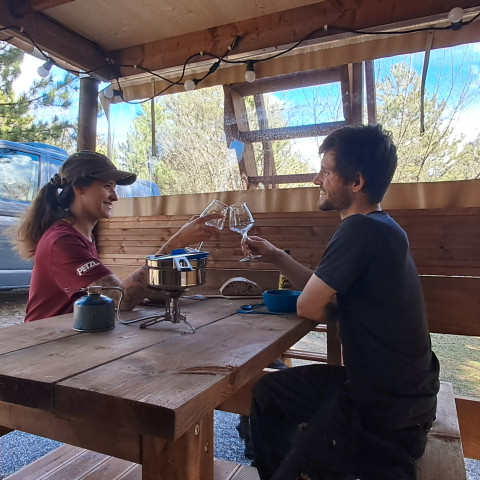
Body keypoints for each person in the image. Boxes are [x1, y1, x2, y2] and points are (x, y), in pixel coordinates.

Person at [242, 124, 440, 480]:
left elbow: (307, 306)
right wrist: (275, 255)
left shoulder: (359, 229)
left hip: (386, 411)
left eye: (327, 172)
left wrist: (329, 306)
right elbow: (321, 294)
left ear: (356, 181)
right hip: (390, 392)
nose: (317, 180)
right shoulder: (381, 226)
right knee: (270, 393)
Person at [15, 150, 221, 322]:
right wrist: (176, 243)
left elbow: (110, 293)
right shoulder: (62, 241)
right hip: (46, 344)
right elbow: (120, 299)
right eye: (107, 187)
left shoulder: (82, 235)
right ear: (79, 188)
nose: (115, 196)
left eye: (114, 188)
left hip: (76, 334)